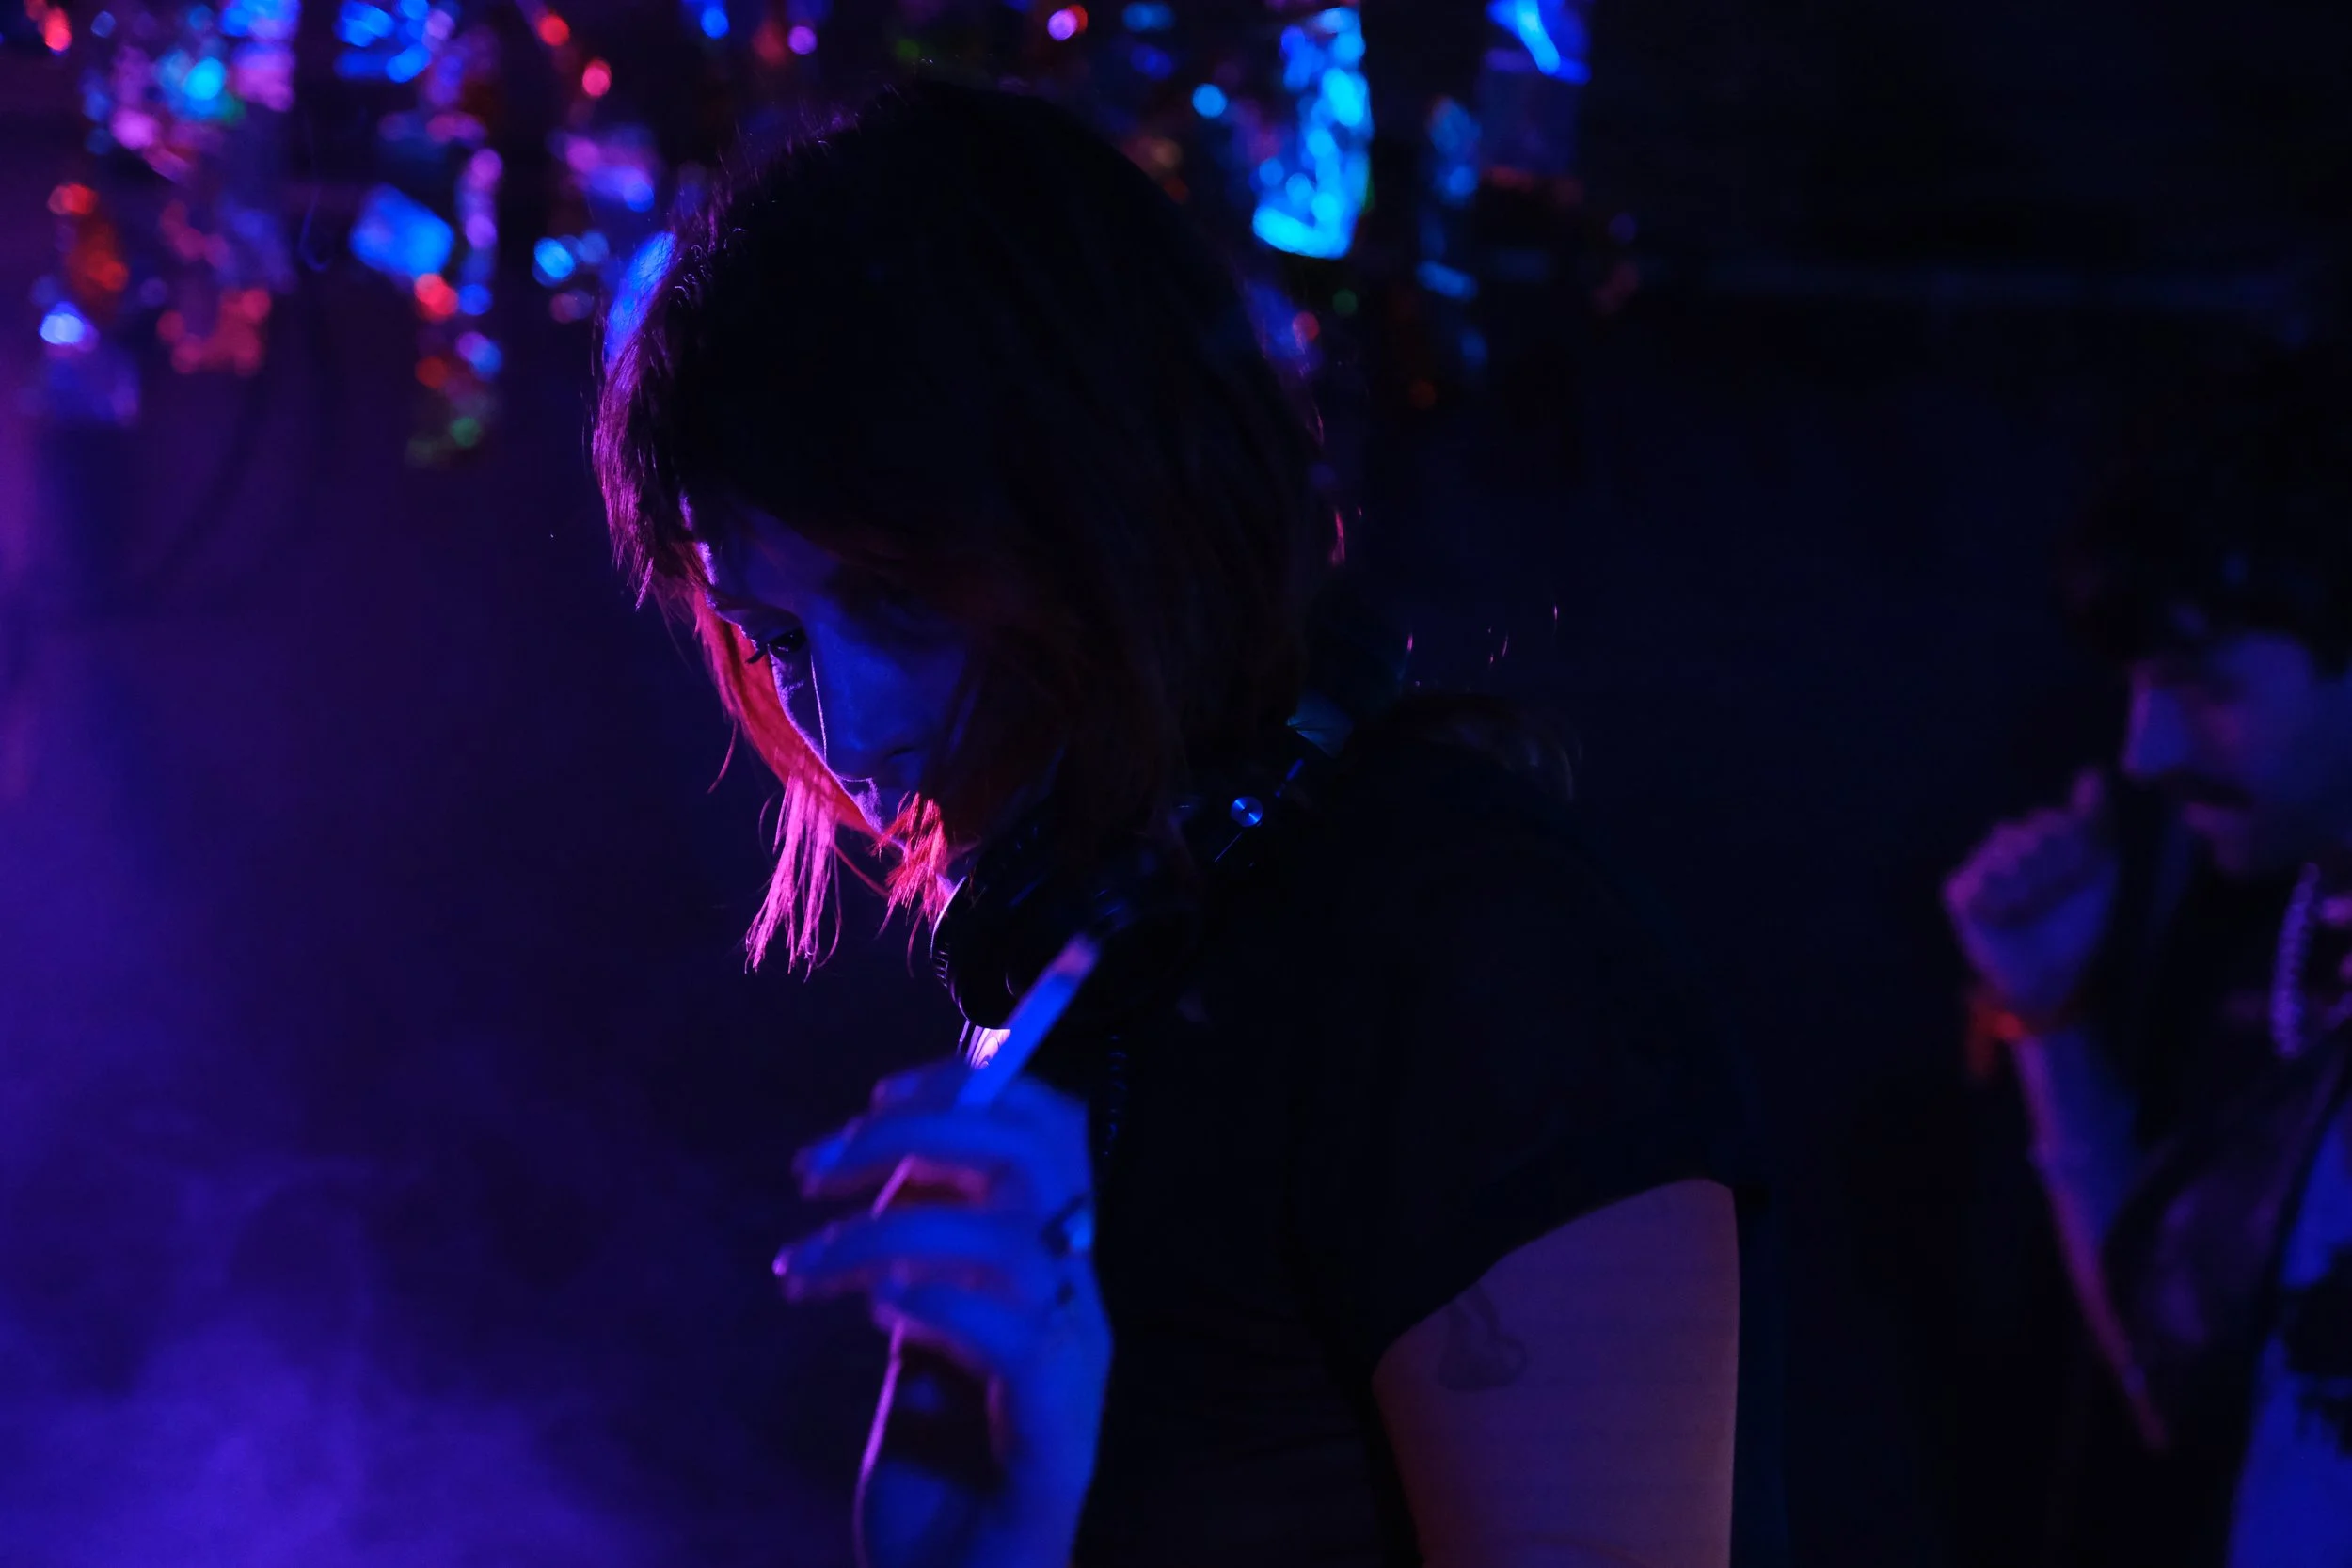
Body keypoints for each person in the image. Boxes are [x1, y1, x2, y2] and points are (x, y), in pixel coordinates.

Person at [597, 81, 1779, 1568]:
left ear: (1106, 509)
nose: (851, 727)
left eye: (898, 600)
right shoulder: (1088, 986)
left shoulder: (1470, 959)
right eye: (776, 637)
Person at [1944, 347, 2352, 1567]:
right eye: (2138, 685)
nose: (2145, 746)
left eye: (2203, 682)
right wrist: (2054, 1022)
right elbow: (2181, 1365)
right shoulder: (2283, 945)